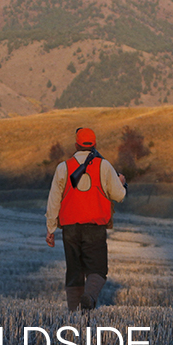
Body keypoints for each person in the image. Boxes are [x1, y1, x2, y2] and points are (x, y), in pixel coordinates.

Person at [45, 127, 126, 311]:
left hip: (70, 228)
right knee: (98, 270)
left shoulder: (63, 167)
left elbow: (53, 200)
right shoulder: (104, 166)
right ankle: (89, 298)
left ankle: (74, 315)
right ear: (95, 145)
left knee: (74, 272)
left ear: (76, 145)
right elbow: (119, 196)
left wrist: (50, 229)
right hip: (94, 226)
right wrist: (120, 182)